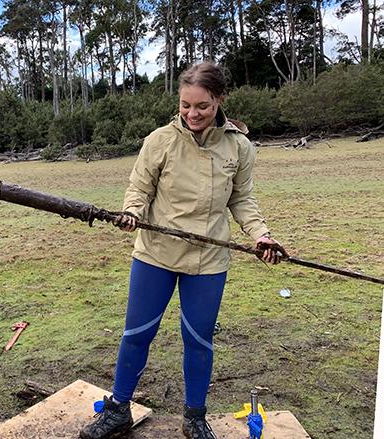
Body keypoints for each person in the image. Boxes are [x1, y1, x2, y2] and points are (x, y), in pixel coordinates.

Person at [79, 62, 287, 439]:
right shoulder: (159, 140)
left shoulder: (238, 147)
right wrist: (131, 213)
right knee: (137, 334)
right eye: (185, 105)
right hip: (156, 255)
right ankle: (118, 409)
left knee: (198, 340)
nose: (192, 114)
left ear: (220, 101)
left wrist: (261, 235)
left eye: (202, 106)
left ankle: (194, 417)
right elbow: (139, 190)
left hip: (208, 261)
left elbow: (242, 200)